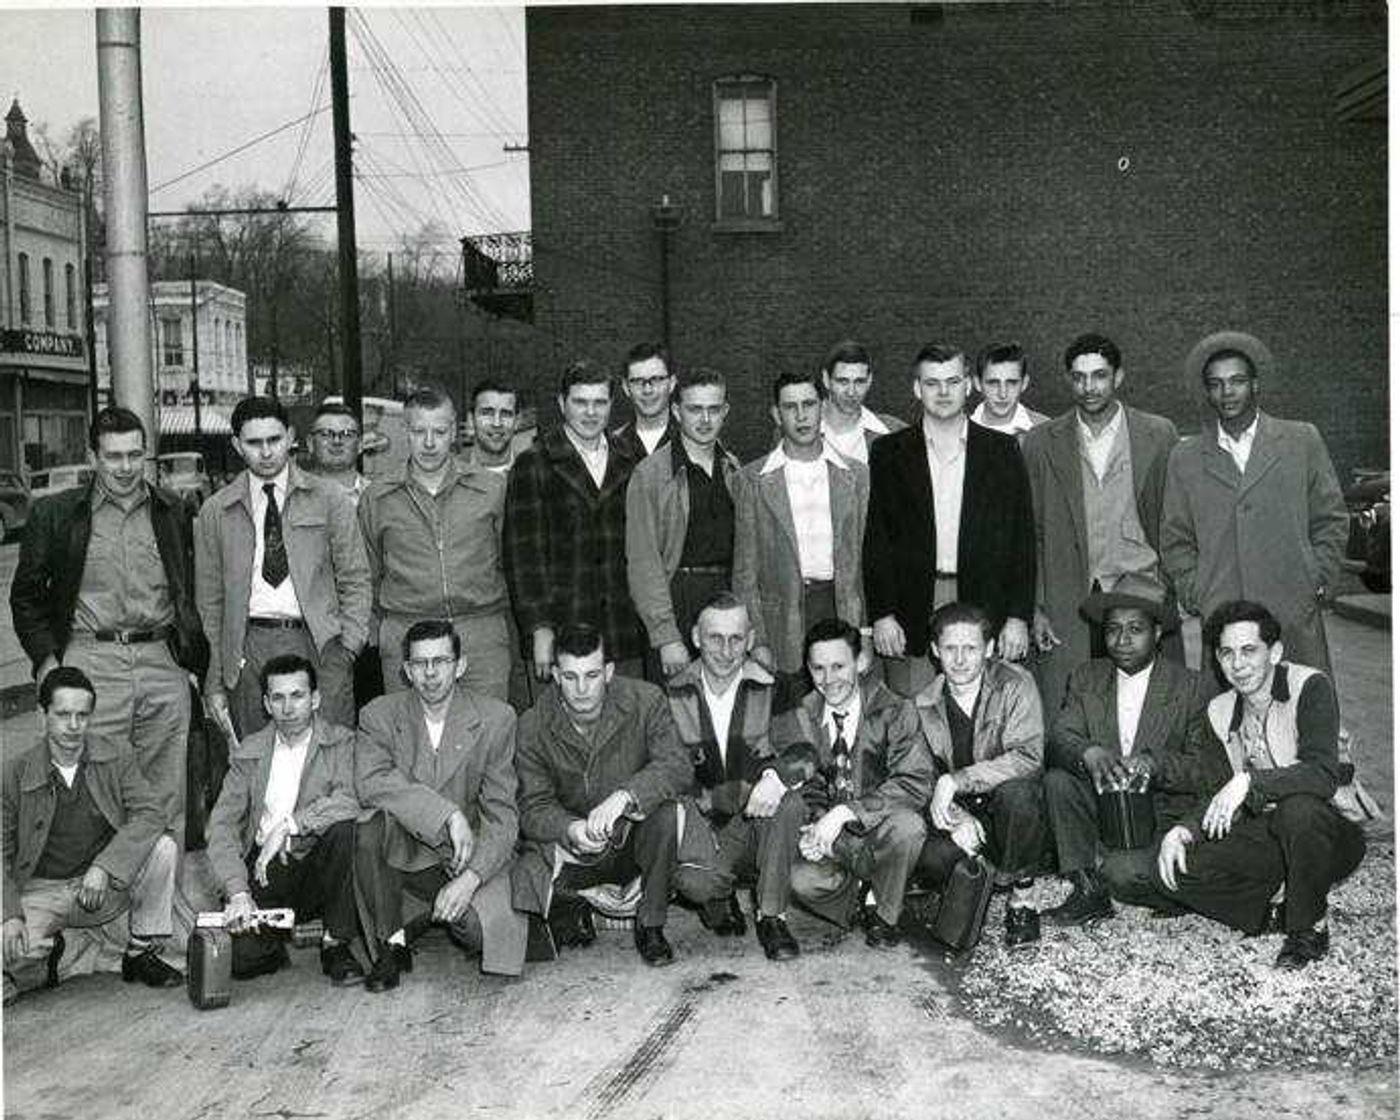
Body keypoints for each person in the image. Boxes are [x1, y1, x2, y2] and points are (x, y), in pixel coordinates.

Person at [9, 406, 207, 834]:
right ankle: (103, 896)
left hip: (161, 661)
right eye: (114, 456)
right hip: (90, 662)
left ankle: (162, 899)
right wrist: (47, 664)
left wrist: (192, 665)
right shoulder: (56, 514)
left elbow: (191, 590)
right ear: (93, 457)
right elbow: (25, 597)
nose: (125, 467)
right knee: (97, 792)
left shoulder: (172, 510)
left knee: (165, 795)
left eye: (135, 455)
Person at [1154, 600, 1366, 969]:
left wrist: (1250, 781)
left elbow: (1321, 774)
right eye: (1227, 653)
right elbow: (1216, 789)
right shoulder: (1219, 710)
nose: (1238, 664)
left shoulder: (1310, 686)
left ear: (1275, 651)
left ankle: (1308, 927)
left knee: (1297, 810)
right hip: (1267, 834)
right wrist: (1183, 832)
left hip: (1329, 832)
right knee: (1171, 869)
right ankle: (1273, 909)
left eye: (1250, 650)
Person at [1161, 331, 1349, 678]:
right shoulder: (1185, 457)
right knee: (1228, 720)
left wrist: (1315, 578)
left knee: (1300, 711)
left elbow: (1331, 519)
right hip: (1223, 615)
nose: (1227, 392)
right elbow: (1175, 538)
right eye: (1216, 384)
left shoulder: (1300, 440)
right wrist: (1197, 592)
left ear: (1256, 384)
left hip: (1292, 609)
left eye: (1237, 381)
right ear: (1206, 391)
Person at [355, 620, 526, 990]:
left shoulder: (497, 718)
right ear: (405, 670)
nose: (430, 674)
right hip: (406, 857)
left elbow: (503, 817)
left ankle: (416, 918)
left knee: (483, 937)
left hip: (467, 857)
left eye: (441, 661)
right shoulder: (378, 715)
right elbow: (371, 783)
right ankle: (390, 943)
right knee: (369, 827)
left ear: (460, 665)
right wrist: (446, 814)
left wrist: (471, 878)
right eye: (419, 664)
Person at [513, 624, 691, 966]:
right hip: (575, 850)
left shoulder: (646, 699)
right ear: (554, 674)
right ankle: (574, 906)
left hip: (631, 841)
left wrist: (627, 795)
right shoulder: (532, 724)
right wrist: (569, 828)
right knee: (523, 873)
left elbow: (678, 765)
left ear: (608, 671)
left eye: (592, 675)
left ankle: (650, 924)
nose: (581, 689)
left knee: (666, 811)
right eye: (570, 677)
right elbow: (532, 806)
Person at [1021, 332, 1180, 715]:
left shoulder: (1158, 434)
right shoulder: (1041, 441)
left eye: (1099, 375)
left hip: (1139, 586)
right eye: (1078, 377)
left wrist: (1170, 587)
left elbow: (1175, 518)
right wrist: (1037, 606)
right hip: (1067, 598)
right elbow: (1033, 532)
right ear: (1068, 379)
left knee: (1144, 707)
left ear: (1119, 377)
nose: (1088, 387)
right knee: (1072, 705)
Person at [864, 342, 1035, 698]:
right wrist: (882, 614)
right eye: (932, 383)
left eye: (952, 381)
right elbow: (877, 539)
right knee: (914, 717)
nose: (943, 392)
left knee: (984, 712)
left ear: (969, 385)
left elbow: (1022, 540)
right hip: (913, 605)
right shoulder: (888, 453)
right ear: (916, 388)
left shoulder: (1002, 451)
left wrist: (1018, 617)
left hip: (984, 600)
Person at [1040, 574, 1213, 925]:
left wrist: (1154, 764)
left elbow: (1203, 770)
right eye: (1113, 629)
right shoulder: (1087, 676)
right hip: (1104, 809)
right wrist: (1088, 751)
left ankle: (1173, 887)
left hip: (1160, 816)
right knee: (1058, 781)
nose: (1121, 640)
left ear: (1158, 632)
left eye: (1135, 629)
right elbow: (1060, 734)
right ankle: (1088, 888)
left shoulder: (1191, 687)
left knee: (1122, 876)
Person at [195, 396, 371, 738]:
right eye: (253, 443)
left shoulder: (329, 499)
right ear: (236, 445)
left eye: (274, 440)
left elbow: (356, 577)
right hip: (248, 648)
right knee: (258, 764)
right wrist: (216, 677)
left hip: (319, 643)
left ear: (291, 437)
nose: (265, 452)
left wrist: (348, 648)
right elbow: (210, 603)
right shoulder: (217, 511)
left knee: (328, 759)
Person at [3, 667, 181, 1004]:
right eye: (63, 715)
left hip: (99, 888)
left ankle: (140, 952)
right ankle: (54, 952)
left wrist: (105, 867)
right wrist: (9, 915)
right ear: (43, 716)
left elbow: (151, 812)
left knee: (163, 847)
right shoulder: (13, 773)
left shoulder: (116, 754)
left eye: (82, 716)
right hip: (41, 891)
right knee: (10, 947)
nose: (73, 726)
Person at [204, 655, 366, 987]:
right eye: (278, 698)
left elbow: (352, 800)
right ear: (266, 703)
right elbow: (221, 825)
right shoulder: (249, 752)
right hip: (267, 869)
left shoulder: (341, 742)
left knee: (345, 830)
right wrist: (237, 891)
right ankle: (281, 938)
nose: (288, 708)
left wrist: (291, 825)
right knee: (245, 962)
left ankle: (335, 943)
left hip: (319, 863)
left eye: (297, 696)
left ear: (315, 699)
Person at [773, 618, 932, 949]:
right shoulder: (800, 716)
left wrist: (846, 811)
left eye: (838, 666)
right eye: (818, 669)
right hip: (834, 841)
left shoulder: (895, 708)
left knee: (910, 826)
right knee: (798, 880)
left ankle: (884, 915)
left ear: (861, 662)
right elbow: (805, 786)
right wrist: (814, 829)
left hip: (877, 827)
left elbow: (915, 781)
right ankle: (862, 899)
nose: (829, 680)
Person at [664, 592, 805, 960]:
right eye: (715, 638)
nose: (726, 651)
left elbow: (804, 750)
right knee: (695, 883)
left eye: (736, 639)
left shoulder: (776, 685)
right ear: (695, 637)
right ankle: (718, 893)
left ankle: (772, 916)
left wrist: (775, 777)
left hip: (758, 820)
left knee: (790, 801)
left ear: (751, 639)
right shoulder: (671, 693)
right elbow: (663, 768)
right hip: (705, 823)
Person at [360, 387, 512, 702]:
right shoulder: (378, 497)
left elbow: (508, 563)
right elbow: (368, 574)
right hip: (406, 633)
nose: (429, 443)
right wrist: (383, 630)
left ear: (454, 431)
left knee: (487, 736)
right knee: (413, 742)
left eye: (440, 432)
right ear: (405, 432)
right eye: (419, 432)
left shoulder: (491, 489)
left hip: (480, 633)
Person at [913, 602, 1048, 948]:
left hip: (1006, 806)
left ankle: (1022, 898)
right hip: (963, 813)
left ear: (988, 649)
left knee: (1019, 795)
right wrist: (957, 816)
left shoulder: (1016, 684)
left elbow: (1028, 757)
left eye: (970, 648)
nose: (959, 660)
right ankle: (974, 874)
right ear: (934, 651)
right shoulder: (922, 705)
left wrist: (956, 780)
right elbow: (918, 776)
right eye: (950, 649)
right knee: (929, 859)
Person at [733, 371, 869, 710]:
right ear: (776, 415)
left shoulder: (856, 474)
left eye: (809, 404)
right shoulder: (752, 479)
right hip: (783, 620)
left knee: (846, 712)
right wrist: (757, 639)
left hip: (839, 605)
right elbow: (745, 572)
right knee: (791, 721)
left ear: (822, 407)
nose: (801, 415)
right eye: (790, 407)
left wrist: (864, 631)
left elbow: (867, 561)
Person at [504, 360, 645, 683]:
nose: (591, 412)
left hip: (622, 626)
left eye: (600, 402)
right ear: (561, 403)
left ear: (612, 404)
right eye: (580, 402)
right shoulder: (535, 463)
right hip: (563, 627)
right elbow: (524, 558)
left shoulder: (632, 459)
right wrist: (540, 629)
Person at [626, 368, 742, 681]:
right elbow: (643, 563)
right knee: (673, 716)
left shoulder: (734, 470)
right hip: (676, 602)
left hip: (725, 604)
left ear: (725, 412)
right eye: (695, 409)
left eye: (713, 409)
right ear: (677, 411)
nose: (705, 419)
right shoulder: (649, 475)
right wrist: (666, 636)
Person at [818, 339, 906, 464]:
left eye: (859, 382)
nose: (851, 392)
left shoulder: (896, 433)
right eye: (843, 381)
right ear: (826, 379)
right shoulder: (794, 431)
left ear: (869, 381)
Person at [611, 341, 678, 461]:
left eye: (656, 379)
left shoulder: (692, 441)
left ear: (672, 383)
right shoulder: (612, 446)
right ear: (626, 387)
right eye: (638, 381)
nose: (647, 390)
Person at [969, 341, 1048, 440]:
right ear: (977, 384)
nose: (1003, 394)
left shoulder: (1047, 431)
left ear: (1024, 383)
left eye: (1011, 383)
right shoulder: (959, 432)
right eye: (993, 383)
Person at [304, 400, 369, 504]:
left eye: (347, 434)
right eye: (326, 434)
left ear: (360, 444)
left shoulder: (379, 497)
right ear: (310, 443)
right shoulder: (294, 496)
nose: (336, 441)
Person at [462, 379, 524, 473]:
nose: (497, 423)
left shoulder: (531, 471)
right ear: (471, 420)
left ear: (517, 421)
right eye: (487, 413)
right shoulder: (449, 472)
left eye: (506, 414)